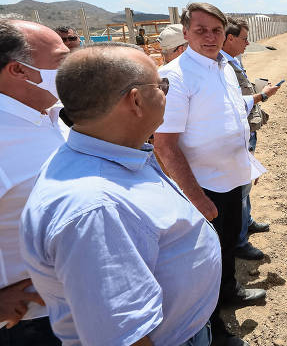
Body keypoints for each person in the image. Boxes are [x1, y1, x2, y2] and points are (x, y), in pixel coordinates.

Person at [20, 44, 221, 346]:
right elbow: (125, 337)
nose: (166, 93)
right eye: (161, 85)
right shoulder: (95, 209)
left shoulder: (109, 153)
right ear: (136, 101)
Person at [153, 3, 267, 346]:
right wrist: (197, 197)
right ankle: (214, 329)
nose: (209, 37)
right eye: (200, 30)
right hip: (204, 187)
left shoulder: (224, 68)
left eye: (216, 31)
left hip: (230, 179)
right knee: (205, 263)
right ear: (185, 33)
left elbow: (232, 118)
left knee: (229, 243)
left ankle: (230, 292)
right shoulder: (176, 76)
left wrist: (246, 167)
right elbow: (165, 145)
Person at [0, 20, 69, 345]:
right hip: (33, 323)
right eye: (61, 61)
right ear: (19, 70)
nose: (72, 68)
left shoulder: (48, 114)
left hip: (76, 301)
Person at [221, 17, 280, 257]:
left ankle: (247, 222)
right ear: (230, 38)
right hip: (238, 133)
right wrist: (262, 96)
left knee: (246, 184)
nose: (247, 43)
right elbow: (234, 105)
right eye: (244, 38)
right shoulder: (223, 66)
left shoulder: (231, 61)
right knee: (241, 186)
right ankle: (239, 242)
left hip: (246, 129)